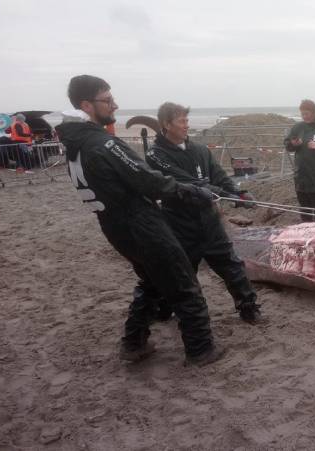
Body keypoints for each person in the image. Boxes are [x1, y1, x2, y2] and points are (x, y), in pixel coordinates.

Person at [55, 75, 225, 366]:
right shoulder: (102, 143)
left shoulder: (75, 142)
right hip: (139, 222)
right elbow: (149, 181)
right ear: (86, 104)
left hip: (113, 224)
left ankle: (133, 343)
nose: (115, 105)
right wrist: (191, 191)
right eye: (107, 100)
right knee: (182, 279)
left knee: (151, 280)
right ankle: (200, 350)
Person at [145, 102, 262, 323]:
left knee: (231, 265)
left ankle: (248, 306)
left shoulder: (199, 150)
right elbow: (188, 183)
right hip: (180, 223)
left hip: (209, 219)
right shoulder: (155, 155)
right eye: (181, 121)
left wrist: (240, 193)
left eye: (187, 120)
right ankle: (164, 308)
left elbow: (219, 177)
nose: (186, 125)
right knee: (181, 274)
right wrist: (229, 197)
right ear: (166, 124)